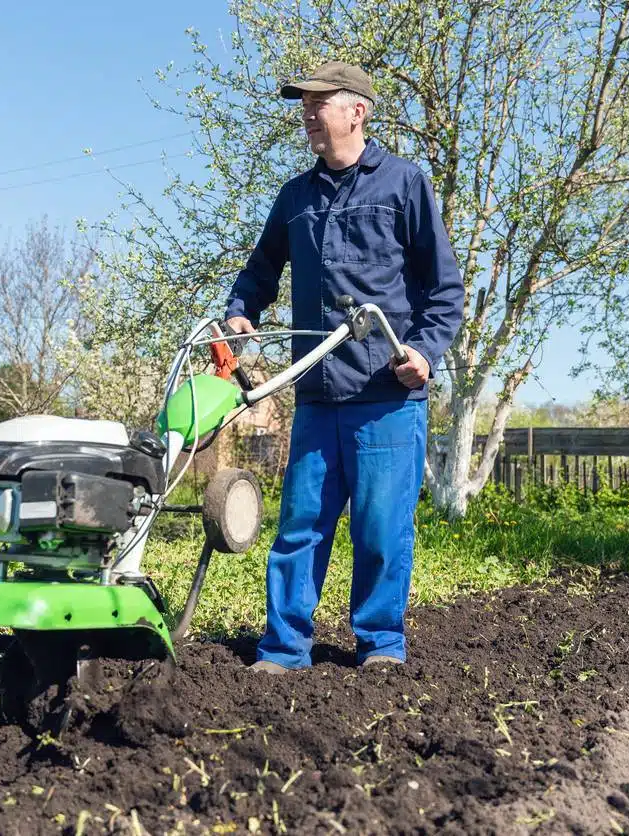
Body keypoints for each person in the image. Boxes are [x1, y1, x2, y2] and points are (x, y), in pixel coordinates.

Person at [223, 61, 464, 673]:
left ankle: (380, 644)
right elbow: (260, 271)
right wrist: (241, 310)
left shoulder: (403, 185)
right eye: (303, 103)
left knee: (381, 531)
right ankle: (283, 648)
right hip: (317, 393)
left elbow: (444, 291)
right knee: (300, 529)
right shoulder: (295, 197)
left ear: (357, 110)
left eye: (318, 101)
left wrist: (424, 352)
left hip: (386, 393)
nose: (307, 112)